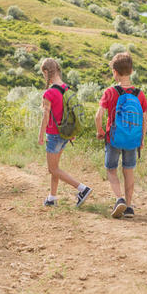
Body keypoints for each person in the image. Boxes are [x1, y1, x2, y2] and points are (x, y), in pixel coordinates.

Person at [95, 52, 147, 218]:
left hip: (114, 138)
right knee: (129, 171)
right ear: (131, 71)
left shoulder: (110, 92)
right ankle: (129, 207)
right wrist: (141, 139)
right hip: (133, 139)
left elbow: (98, 116)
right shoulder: (139, 94)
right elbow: (145, 119)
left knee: (111, 170)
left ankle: (119, 199)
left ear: (114, 72)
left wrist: (100, 131)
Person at [37, 58, 92, 207]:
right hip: (65, 135)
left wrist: (40, 135)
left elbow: (46, 116)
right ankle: (51, 198)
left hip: (54, 135)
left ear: (47, 72)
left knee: (53, 168)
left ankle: (82, 189)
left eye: (43, 74)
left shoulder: (49, 93)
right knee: (56, 168)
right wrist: (71, 132)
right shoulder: (67, 89)